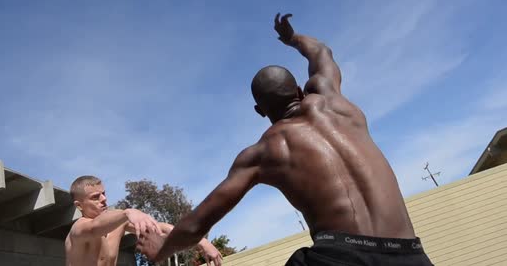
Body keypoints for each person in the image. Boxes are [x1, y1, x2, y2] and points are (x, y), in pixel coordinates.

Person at [136, 14, 434, 265]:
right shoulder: (336, 104)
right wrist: (291, 38)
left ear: (259, 111)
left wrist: (161, 249)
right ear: (300, 91)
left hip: (340, 255)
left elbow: (198, 222)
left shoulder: (264, 152)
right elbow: (322, 53)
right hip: (410, 254)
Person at [65, 175, 222, 266]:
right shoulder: (78, 230)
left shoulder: (118, 223)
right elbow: (94, 228)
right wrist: (129, 212)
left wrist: (201, 242)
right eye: (95, 197)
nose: (104, 199)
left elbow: (161, 228)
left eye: (104, 193)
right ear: (79, 205)